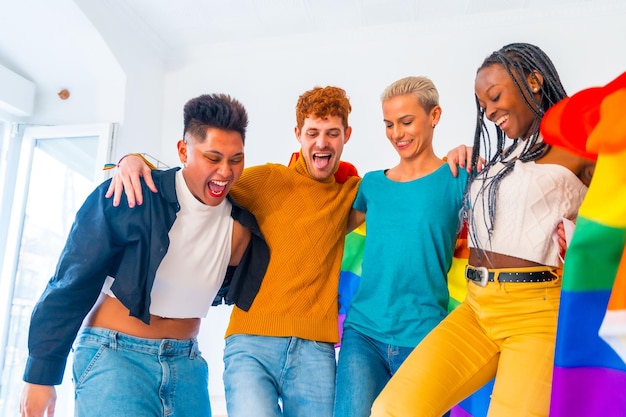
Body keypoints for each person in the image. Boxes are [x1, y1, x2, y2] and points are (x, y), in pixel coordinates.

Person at [370, 42, 596, 417]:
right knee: (393, 408)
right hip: (476, 307)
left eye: (494, 97)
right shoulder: (503, 156)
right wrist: (456, 159)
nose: (489, 113)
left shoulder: (579, 147)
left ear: (534, 81)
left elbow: (615, 211)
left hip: (536, 313)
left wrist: (584, 236)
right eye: (483, 105)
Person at [109, 86, 361, 417]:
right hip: (251, 343)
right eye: (312, 132)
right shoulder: (269, 179)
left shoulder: (352, 196)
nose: (322, 142)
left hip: (316, 350)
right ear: (298, 134)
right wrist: (131, 161)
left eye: (332, 133)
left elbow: (405, 185)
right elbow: (193, 184)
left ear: (347, 135)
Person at [19, 93, 269, 417]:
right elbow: (71, 281)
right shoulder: (133, 193)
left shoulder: (240, 227)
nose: (225, 171)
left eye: (236, 159)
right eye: (213, 157)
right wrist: (40, 374)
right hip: (115, 356)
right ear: (184, 150)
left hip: (188, 365)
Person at [334, 76, 466, 417]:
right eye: (389, 124)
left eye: (406, 122)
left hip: (426, 337)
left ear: (434, 115)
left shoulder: (458, 179)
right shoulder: (373, 184)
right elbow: (326, 228)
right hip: (363, 334)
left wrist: (473, 152)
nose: (397, 133)